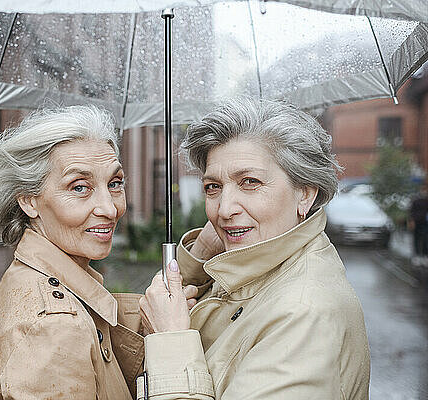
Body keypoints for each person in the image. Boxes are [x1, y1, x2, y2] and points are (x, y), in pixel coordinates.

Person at [138, 97, 370, 399]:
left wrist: (170, 339)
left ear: (305, 194)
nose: (224, 209)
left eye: (249, 182)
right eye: (213, 187)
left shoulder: (303, 313)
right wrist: (201, 256)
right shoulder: (248, 265)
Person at [0, 106, 150, 400]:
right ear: (29, 201)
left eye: (114, 183)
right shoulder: (54, 326)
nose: (109, 208)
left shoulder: (35, 276)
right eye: (80, 188)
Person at [408, 184, 428, 266]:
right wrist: (411, 221)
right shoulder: (415, 200)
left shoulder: (427, 200)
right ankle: (416, 256)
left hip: (426, 222)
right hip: (416, 222)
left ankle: (424, 256)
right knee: (416, 239)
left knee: (425, 240)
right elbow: (411, 211)